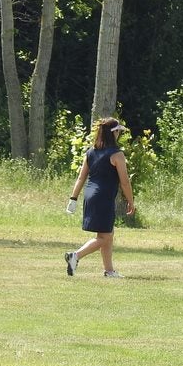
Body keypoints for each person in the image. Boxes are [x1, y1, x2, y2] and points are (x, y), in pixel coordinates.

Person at [64, 117, 136, 278]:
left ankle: (109, 271)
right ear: (114, 133)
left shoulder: (90, 152)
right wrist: (131, 202)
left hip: (90, 195)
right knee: (106, 237)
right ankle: (75, 256)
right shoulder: (117, 154)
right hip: (103, 197)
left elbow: (81, 178)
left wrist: (73, 198)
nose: (119, 134)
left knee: (105, 235)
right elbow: (124, 182)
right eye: (118, 131)